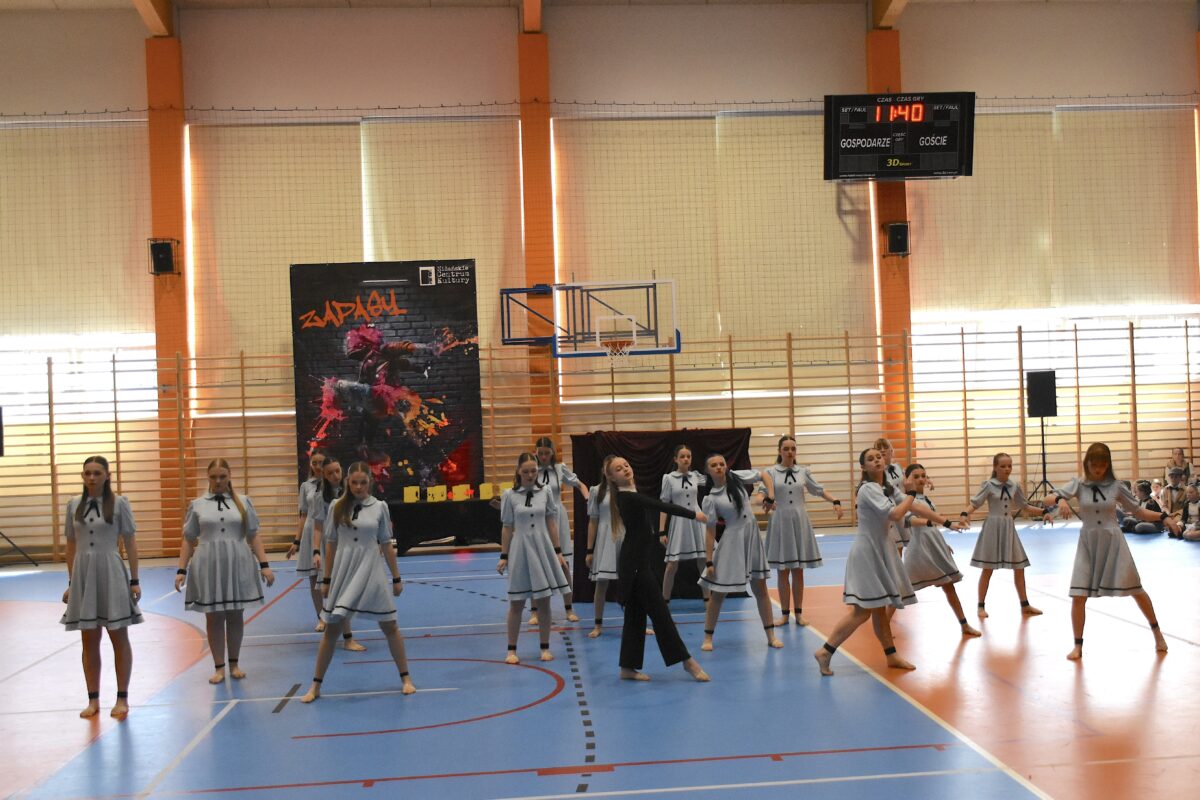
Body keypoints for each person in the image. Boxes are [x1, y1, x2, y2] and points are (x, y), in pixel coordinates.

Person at [813, 448, 963, 676]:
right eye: (870, 459)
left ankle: (891, 655)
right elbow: (895, 514)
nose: (877, 460)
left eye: (879, 457)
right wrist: (911, 493)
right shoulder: (867, 489)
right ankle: (825, 650)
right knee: (862, 612)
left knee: (879, 610)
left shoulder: (887, 487)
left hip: (882, 549)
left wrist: (947, 522)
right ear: (863, 467)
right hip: (868, 552)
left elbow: (916, 507)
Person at [1044, 443, 1176, 659]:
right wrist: (1061, 500)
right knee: (1078, 595)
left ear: (1108, 465)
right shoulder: (1079, 484)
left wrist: (1164, 517)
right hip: (1088, 542)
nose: (1098, 469)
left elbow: (1139, 511)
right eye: (1094, 465)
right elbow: (1047, 498)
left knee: (1136, 589)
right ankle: (1077, 646)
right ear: (1087, 464)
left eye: (1102, 465)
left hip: (1113, 540)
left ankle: (1157, 634)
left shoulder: (1115, 486)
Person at [300, 462, 415, 702]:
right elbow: (331, 544)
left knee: (390, 626)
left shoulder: (380, 507)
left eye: (363, 482)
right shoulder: (336, 507)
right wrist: (326, 579)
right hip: (344, 571)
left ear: (370, 482)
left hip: (371, 570)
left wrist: (396, 577)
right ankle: (315, 686)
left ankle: (406, 679)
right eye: (354, 483)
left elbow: (386, 544)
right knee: (332, 629)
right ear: (348, 483)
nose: (359, 487)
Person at [605, 456, 710, 682]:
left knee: (635, 616)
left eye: (626, 465)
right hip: (634, 567)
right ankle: (687, 662)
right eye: (618, 469)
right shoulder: (627, 497)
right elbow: (662, 505)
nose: (625, 469)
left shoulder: (630, 493)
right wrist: (694, 514)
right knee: (661, 614)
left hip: (637, 562)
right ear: (612, 478)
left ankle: (627, 667)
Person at [175, 459, 275, 684]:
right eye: (213, 477)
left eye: (222, 476)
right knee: (213, 617)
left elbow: (253, 535)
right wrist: (181, 569)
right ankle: (219, 667)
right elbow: (188, 539)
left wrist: (265, 565)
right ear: (207, 477)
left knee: (235, 615)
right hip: (208, 564)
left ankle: (234, 664)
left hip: (237, 561)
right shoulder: (197, 504)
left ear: (229, 476)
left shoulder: (244, 502)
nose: (218, 481)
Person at [60, 456, 142, 719]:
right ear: (82, 476)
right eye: (87, 473)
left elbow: (130, 542)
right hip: (84, 575)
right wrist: (71, 583)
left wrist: (135, 580)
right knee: (89, 640)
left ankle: (122, 698)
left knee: (119, 636)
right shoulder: (74, 505)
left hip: (111, 572)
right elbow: (71, 545)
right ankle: (93, 699)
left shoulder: (119, 503)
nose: (92, 477)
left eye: (97, 473)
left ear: (107, 476)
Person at [698, 454, 781, 652]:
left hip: (752, 537)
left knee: (761, 590)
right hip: (732, 541)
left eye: (721, 464)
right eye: (714, 465)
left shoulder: (736, 477)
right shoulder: (711, 498)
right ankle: (708, 637)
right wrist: (709, 560)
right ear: (708, 470)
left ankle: (771, 636)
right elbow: (710, 531)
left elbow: (764, 475)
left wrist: (770, 496)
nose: (719, 467)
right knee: (718, 593)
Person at [760, 435, 842, 627]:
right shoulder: (770, 472)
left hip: (799, 521)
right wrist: (765, 501)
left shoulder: (803, 471)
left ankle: (798, 613)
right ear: (779, 451)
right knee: (782, 571)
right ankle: (784, 614)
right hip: (780, 522)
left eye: (793, 448)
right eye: (786, 448)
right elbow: (762, 493)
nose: (790, 452)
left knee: (798, 571)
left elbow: (818, 489)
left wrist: (835, 500)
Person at [497, 453, 571, 663]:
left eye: (533, 471)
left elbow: (551, 522)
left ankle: (545, 648)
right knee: (517, 603)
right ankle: (511, 650)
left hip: (542, 548)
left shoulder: (545, 492)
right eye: (525, 471)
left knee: (544, 601)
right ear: (518, 472)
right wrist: (504, 555)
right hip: (520, 549)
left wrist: (558, 551)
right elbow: (507, 527)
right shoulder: (509, 495)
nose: (530, 475)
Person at [960, 453, 1048, 619]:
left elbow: (1024, 506)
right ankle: (980, 606)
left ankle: (1025, 605)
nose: (1007, 469)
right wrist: (964, 514)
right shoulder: (988, 485)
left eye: (1009, 466)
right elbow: (975, 503)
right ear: (995, 467)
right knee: (988, 568)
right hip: (993, 527)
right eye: (1002, 466)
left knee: (1019, 567)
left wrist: (1044, 511)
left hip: (1008, 527)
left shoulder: (1014, 485)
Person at [901, 464, 980, 638]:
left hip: (934, 545)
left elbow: (933, 527)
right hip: (919, 548)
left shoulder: (926, 499)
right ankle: (883, 623)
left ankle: (964, 624)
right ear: (907, 479)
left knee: (949, 586)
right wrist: (931, 522)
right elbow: (910, 521)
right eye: (916, 476)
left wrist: (943, 544)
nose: (921, 479)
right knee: (903, 591)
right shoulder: (906, 499)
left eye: (923, 475)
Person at [529, 437, 588, 625]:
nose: (543, 457)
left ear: (552, 452)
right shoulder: (531, 469)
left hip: (557, 517)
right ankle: (534, 612)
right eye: (540, 453)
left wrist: (587, 498)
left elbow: (579, 484)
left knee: (564, 564)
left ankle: (568, 609)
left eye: (547, 453)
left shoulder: (560, 468)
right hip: (538, 518)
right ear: (535, 452)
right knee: (536, 565)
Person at [309, 457, 365, 650]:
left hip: (351, 545)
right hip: (331, 548)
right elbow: (318, 527)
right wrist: (316, 551)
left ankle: (336, 628)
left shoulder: (352, 492)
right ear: (324, 475)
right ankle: (346, 637)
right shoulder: (320, 497)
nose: (335, 475)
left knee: (347, 593)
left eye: (337, 471)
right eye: (330, 473)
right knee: (339, 592)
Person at [658, 444, 708, 603]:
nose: (686, 459)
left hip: (697, 521)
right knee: (672, 565)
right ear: (676, 459)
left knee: (703, 562)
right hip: (679, 523)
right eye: (682, 456)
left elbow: (715, 480)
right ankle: (664, 602)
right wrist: (661, 531)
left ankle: (708, 601)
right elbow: (664, 506)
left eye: (688, 456)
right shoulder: (669, 478)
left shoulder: (696, 476)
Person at [286, 450, 329, 626]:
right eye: (314, 462)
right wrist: (296, 541)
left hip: (330, 533)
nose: (318, 466)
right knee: (314, 577)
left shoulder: (334, 483)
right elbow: (303, 515)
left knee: (333, 576)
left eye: (321, 462)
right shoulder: (306, 486)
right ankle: (321, 617)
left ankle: (335, 614)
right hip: (311, 534)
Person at [585, 469, 620, 638]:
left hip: (624, 537)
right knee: (601, 583)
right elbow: (593, 522)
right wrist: (589, 550)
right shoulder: (596, 491)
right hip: (605, 538)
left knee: (632, 584)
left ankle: (637, 623)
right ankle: (597, 625)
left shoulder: (626, 488)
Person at [874, 438, 909, 553]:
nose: (882, 450)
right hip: (889, 512)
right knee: (894, 546)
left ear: (891, 450)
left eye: (885, 447)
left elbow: (908, 480)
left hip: (902, 509)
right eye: (879, 448)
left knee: (903, 546)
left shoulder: (898, 467)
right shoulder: (876, 471)